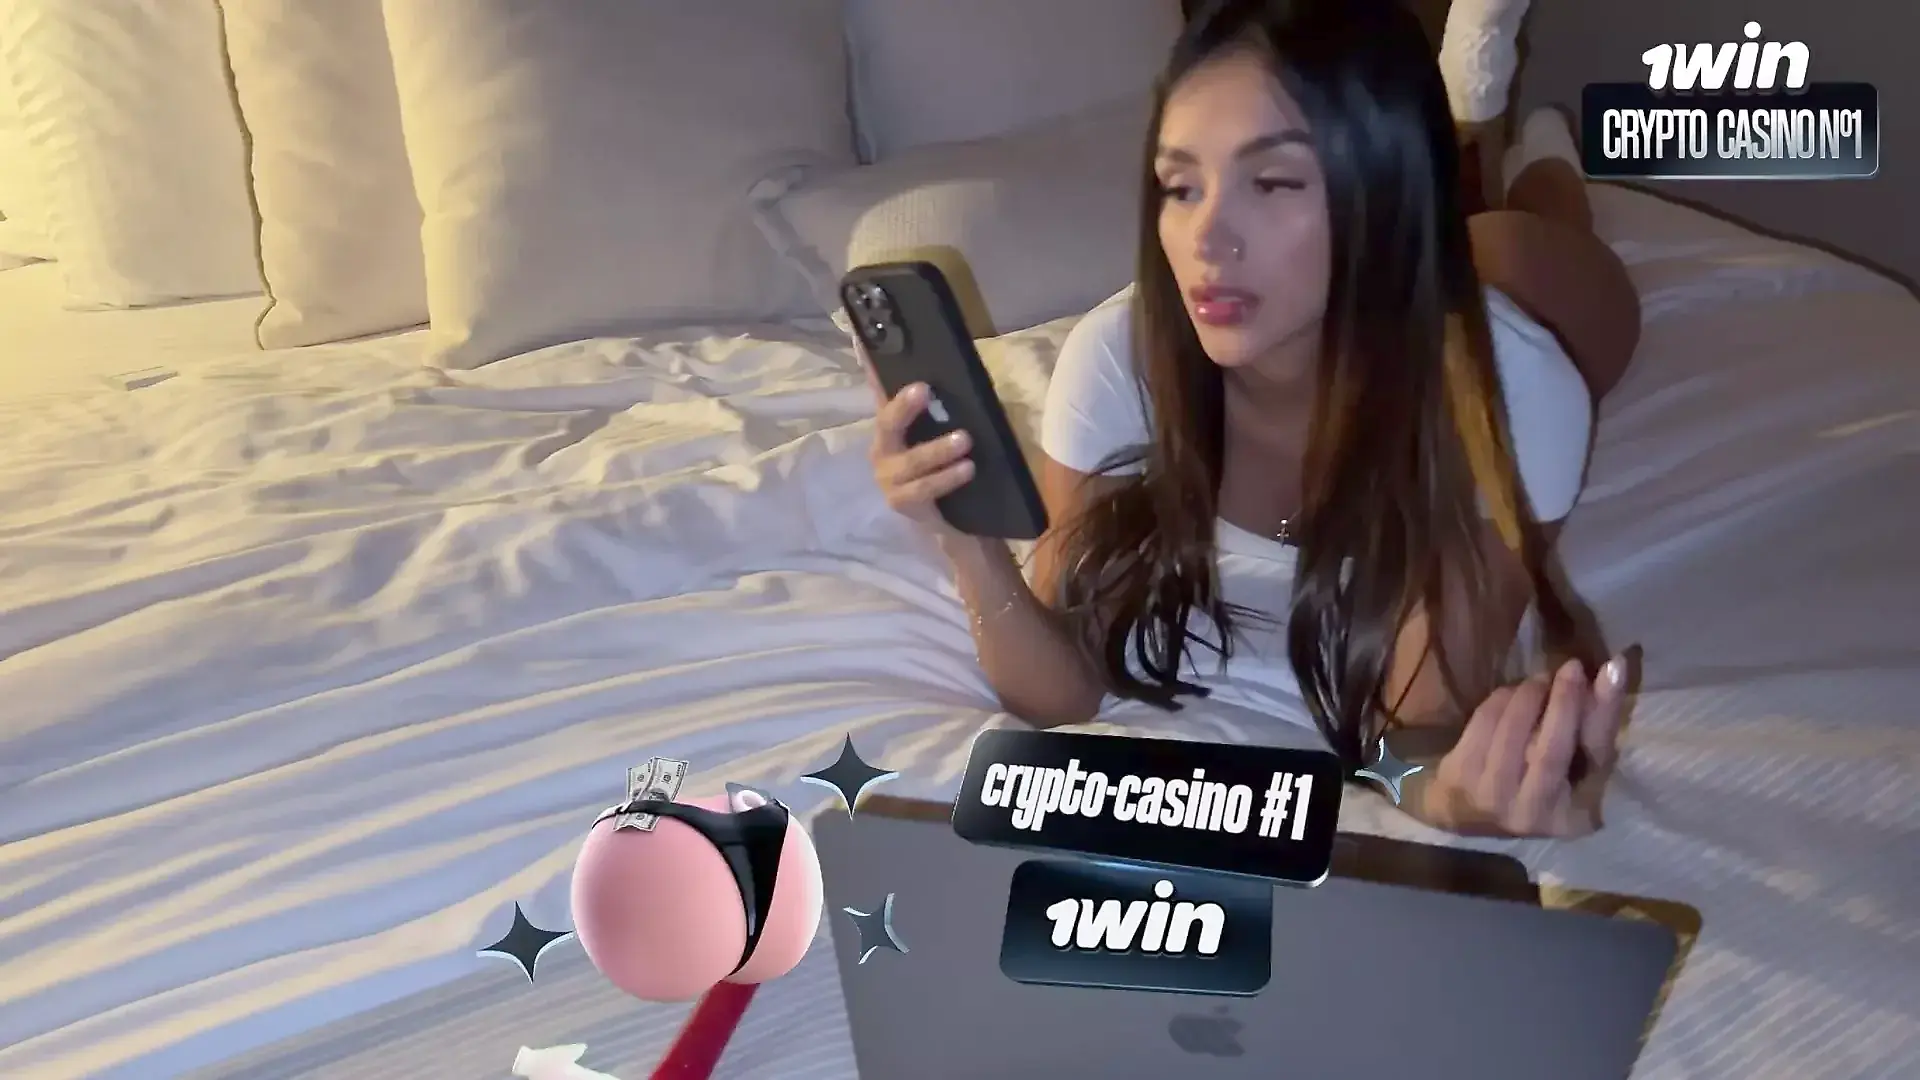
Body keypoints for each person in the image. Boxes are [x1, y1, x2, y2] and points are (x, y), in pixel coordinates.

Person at [861, 0, 1642, 839]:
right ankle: (1470, 125)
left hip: (1542, 292)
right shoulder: (1120, 363)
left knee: (1528, 232)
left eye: (1271, 183)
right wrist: (969, 545)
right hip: (1388, 276)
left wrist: (1451, 796)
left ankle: (1534, 153)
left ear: (1378, 198)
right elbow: (1062, 690)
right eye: (1181, 186)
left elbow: (1411, 730)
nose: (1206, 239)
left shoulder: (1518, 388)